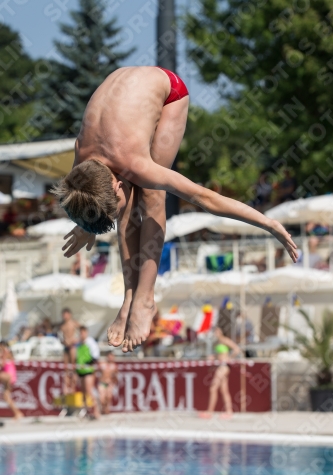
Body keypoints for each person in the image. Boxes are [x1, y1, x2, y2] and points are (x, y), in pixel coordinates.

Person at [51, 66, 298, 353]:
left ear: (116, 184)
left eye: (115, 204)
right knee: (128, 206)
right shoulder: (81, 167)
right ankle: (128, 298)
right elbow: (86, 194)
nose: (120, 214)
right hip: (124, 91)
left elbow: (205, 198)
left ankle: (144, 298)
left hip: (169, 92)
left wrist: (269, 223)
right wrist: (86, 224)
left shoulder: (135, 163)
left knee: (152, 195)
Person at [199, 328, 241, 419]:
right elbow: (219, 355)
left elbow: (236, 349)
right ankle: (229, 411)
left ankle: (210, 411)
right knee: (224, 390)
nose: (216, 333)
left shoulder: (225, 340)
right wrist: (213, 358)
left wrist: (229, 358)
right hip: (220, 366)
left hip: (224, 366)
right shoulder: (217, 343)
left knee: (213, 388)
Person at [76, 326, 100, 419]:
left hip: (88, 370)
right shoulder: (79, 344)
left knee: (89, 390)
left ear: (86, 332)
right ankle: (86, 411)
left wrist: (86, 364)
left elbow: (95, 357)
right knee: (83, 392)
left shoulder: (91, 343)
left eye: (82, 332)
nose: (81, 334)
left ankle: (96, 411)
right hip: (80, 370)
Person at [0, 341, 23, 419]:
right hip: (9, 376)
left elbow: (2, 363)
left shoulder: (6, 352)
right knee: (6, 397)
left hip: (9, 375)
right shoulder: (7, 353)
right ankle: (18, 413)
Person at [59, 308, 79, 393]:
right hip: (66, 346)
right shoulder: (62, 326)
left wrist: (73, 340)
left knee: (73, 368)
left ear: (69, 315)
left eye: (66, 314)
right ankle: (66, 387)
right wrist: (64, 341)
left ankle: (73, 387)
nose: (65, 316)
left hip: (73, 346)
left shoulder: (74, 323)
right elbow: (60, 337)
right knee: (66, 368)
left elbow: (81, 335)